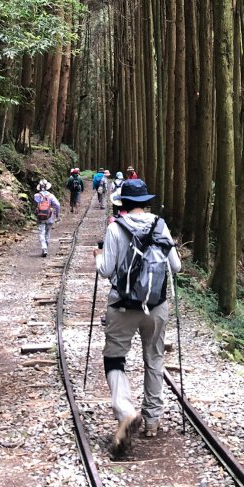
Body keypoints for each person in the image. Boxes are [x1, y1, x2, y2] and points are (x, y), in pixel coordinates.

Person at [94, 178, 181, 454]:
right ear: (145, 202)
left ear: (123, 204)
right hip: (156, 306)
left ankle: (126, 410)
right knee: (154, 359)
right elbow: (175, 267)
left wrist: (97, 256)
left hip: (122, 306)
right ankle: (152, 420)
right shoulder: (161, 225)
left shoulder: (115, 228)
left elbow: (106, 270)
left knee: (114, 359)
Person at [32, 179, 60, 257]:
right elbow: (57, 205)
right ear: (47, 187)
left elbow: (35, 206)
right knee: (47, 232)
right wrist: (57, 215)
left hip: (40, 217)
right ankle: (46, 246)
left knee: (41, 232)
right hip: (49, 216)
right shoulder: (51, 196)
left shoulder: (36, 196)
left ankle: (44, 248)